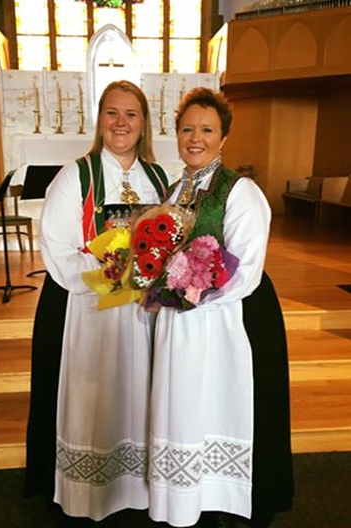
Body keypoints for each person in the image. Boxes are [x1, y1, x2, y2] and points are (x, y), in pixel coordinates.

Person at [147, 88, 293, 528]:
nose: (196, 137)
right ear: (176, 134)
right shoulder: (174, 190)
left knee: (225, 401)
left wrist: (190, 294)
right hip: (180, 319)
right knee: (187, 403)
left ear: (224, 137)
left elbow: (246, 268)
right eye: (187, 128)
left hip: (231, 318)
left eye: (207, 129)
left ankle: (229, 497)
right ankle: (187, 494)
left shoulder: (240, 190)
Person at [24, 80, 168, 521]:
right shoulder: (77, 175)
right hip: (89, 310)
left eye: (131, 114)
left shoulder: (159, 178)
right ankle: (89, 493)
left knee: (139, 396)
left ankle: (139, 490)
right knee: (96, 398)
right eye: (112, 112)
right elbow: (60, 250)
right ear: (99, 119)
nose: (120, 123)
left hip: (144, 314)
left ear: (144, 124)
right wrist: (119, 275)